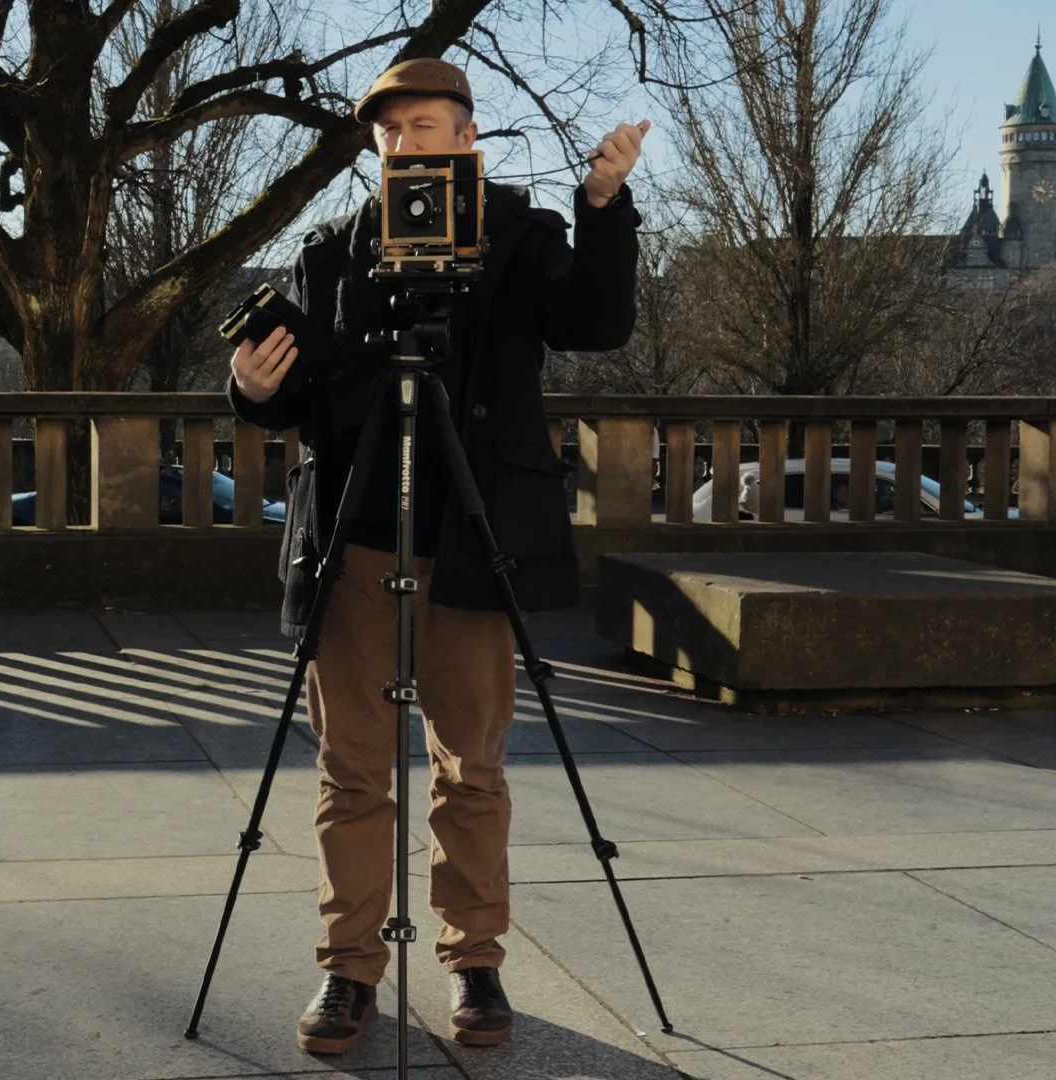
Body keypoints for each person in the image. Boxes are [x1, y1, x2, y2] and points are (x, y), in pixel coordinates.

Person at [226, 57, 647, 1054]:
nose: (405, 144)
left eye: (424, 126)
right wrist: (247, 384)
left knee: (473, 768)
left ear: (468, 136)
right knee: (352, 773)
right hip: (356, 539)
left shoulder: (522, 238)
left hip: (472, 537)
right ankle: (349, 972)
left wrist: (601, 205)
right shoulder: (329, 255)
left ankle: (475, 961)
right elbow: (297, 396)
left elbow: (597, 322)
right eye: (389, 132)